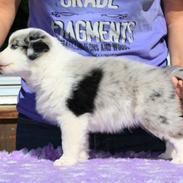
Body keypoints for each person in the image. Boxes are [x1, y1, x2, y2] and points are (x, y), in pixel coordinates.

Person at [0, 0, 183, 153]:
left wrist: (180, 79)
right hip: (48, 126)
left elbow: (177, 15)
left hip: (142, 112)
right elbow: (3, 6)